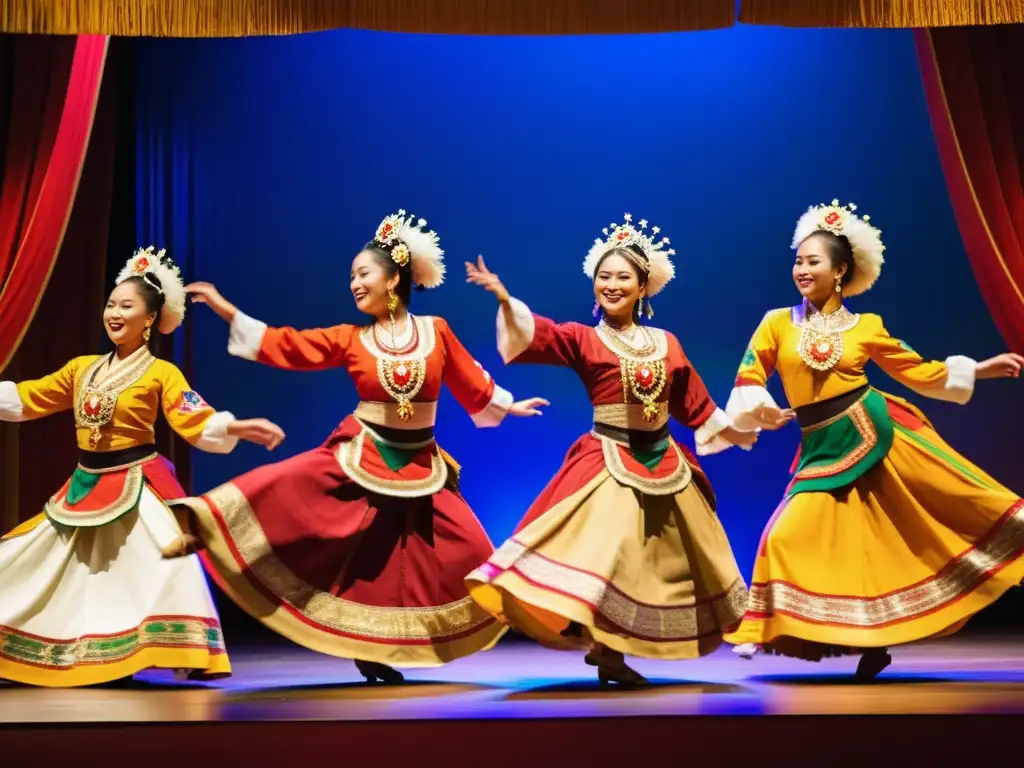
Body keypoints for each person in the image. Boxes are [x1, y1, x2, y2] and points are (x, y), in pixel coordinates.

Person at [172, 210, 548, 684]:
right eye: (351, 276)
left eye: (362, 273)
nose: (353, 283)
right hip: (364, 451)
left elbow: (469, 380)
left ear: (393, 279)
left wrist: (507, 404)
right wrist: (227, 310)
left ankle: (391, 643)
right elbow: (288, 344)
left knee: (467, 548)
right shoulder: (351, 339)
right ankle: (206, 521)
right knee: (288, 490)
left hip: (419, 461)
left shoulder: (436, 330)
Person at [712, 199, 1024, 679]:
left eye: (812, 261)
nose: (801, 269)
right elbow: (750, 375)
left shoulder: (867, 327)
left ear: (839, 272)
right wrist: (762, 409)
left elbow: (916, 370)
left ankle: (871, 643)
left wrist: (978, 371)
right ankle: (776, 623)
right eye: (798, 260)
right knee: (786, 534)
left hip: (873, 430)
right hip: (821, 443)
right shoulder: (776, 323)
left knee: (906, 525)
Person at [463, 213, 756, 687]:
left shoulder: (666, 343)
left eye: (623, 277)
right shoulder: (585, 338)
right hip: (608, 458)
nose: (612, 285)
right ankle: (607, 649)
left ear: (643, 288)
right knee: (608, 556)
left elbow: (692, 401)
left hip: (662, 458)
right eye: (604, 277)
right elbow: (539, 335)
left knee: (667, 560)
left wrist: (735, 430)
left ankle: (629, 645)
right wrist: (503, 297)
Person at [0, 247, 284, 687]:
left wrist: (237, 426)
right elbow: (28, 397)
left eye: (126, 306)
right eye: (111, 304)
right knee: (36, 561)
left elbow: (193, 416)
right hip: (84, 485)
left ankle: (180, 646)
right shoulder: (81, 370)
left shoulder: (161, 373)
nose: (114, 312)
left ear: (149, 319)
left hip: (136, 483)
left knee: (169, 562)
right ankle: (75, 647)